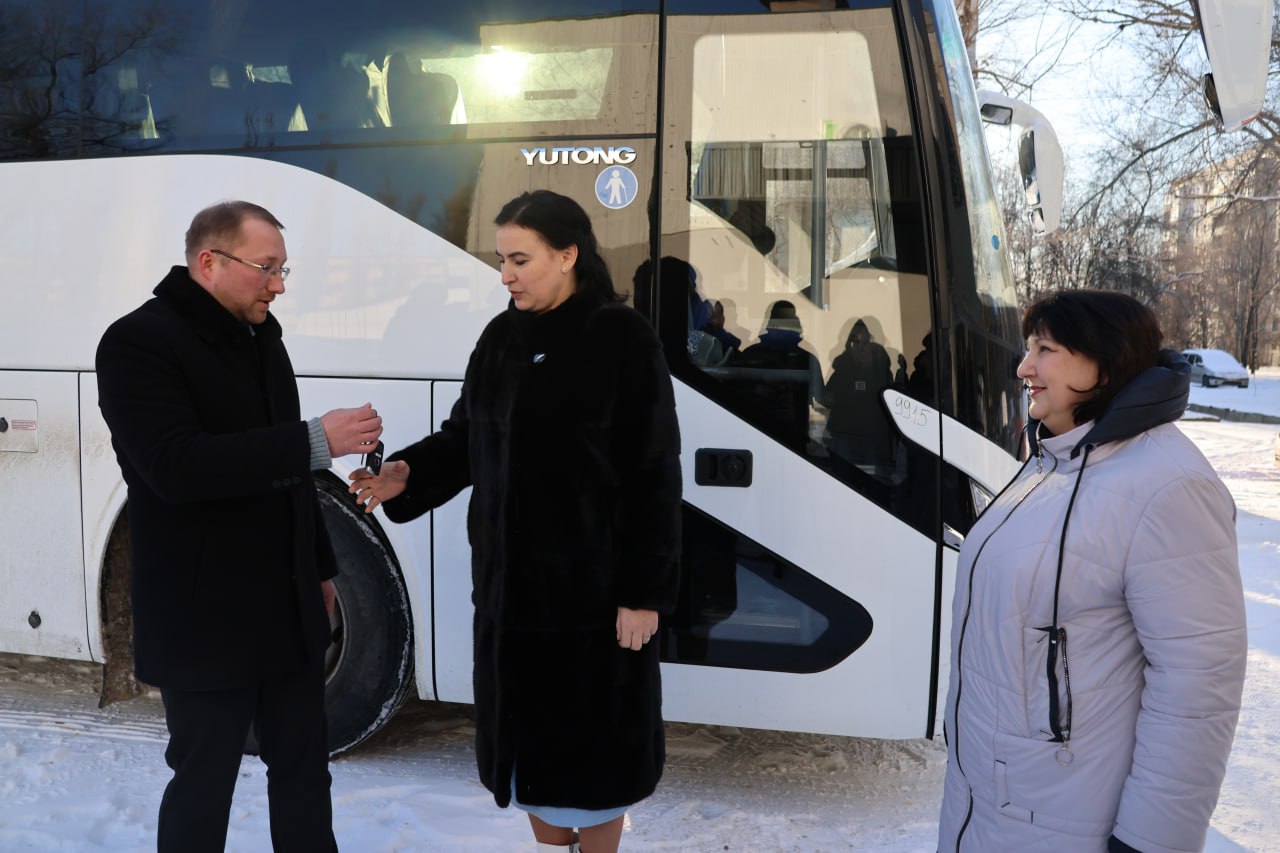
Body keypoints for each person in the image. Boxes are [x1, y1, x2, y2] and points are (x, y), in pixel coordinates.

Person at [348, 190, 681, 853]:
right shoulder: (502, 336)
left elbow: (654, 475)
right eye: (502, 259)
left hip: (590, 608)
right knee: (532, 770)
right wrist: (404, 475)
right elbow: (464, 437)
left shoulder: (621, 338)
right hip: (510, 603)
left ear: (568, 255)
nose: (506, 274)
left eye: (520, 259)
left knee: (596, 773)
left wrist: (643, 594)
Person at [95, 201, 383, 853]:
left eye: (284, 269)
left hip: (288, 606)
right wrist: (315, 439)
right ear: (209, 262)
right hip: (205, 616)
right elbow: (176, 466)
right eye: (267, 268)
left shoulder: (260, 334)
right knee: (204, 785)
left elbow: (290, 480)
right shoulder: (137, 342)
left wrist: (319, 567)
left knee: (306, 775)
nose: (279, 285)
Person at [937, 289, 1246, 852]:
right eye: (1029, 348)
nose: (1024, 367)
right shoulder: (1054, 459)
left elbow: (1197, 686)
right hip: (989, 803)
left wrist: (1151, 842)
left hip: (1068, 818)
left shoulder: (1169, 485)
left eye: (1046, 349)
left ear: (1105, 363)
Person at [822, 318, 894, 478]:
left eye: (865, 341)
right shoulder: (841, 369)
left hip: (875, 440)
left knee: (875, 492)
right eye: (855, 340)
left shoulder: (882, 370)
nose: (861, 347)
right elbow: (827, 398)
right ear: (848, 343)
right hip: (843, 439)